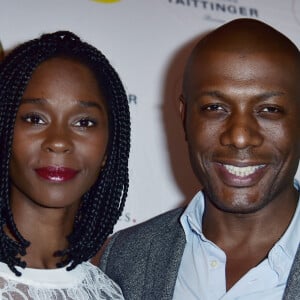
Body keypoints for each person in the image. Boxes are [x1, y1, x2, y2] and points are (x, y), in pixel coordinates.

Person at [99, 18, 300, 299]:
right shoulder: (120, 260)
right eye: (214, 107)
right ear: (185, 117)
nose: (240, 137)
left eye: (269, 110)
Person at [0, 30, 130, 299]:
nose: (59, 142)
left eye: (84, 122)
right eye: (35, 119)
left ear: (109, 147)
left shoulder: (108, 293)